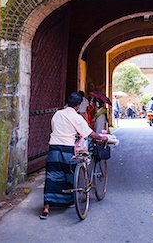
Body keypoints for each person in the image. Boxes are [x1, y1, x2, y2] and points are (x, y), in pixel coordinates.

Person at [40, 92, 108, 220]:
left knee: (52, 175)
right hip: (67, 148)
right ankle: (68, 201)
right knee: (68, 175)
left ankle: (46, 207)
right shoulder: (76, 117)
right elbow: (89, 133)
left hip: (54, 147)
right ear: (77, 105)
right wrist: (101, 137)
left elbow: (57, 129)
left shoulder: (57, 113)